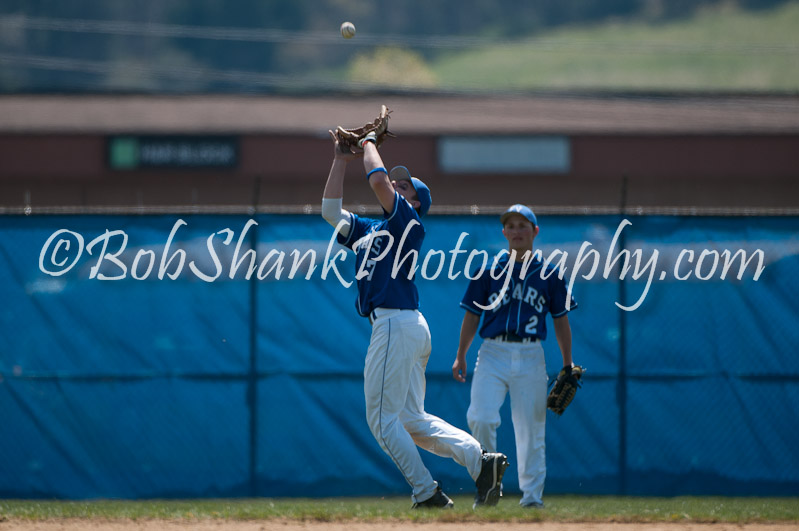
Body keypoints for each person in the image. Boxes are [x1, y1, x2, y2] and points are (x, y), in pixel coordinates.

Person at [321, 129, 508, 509]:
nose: (395, 184)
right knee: (410, 419)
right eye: (397, 183)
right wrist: (341, 159)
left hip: (395, 324)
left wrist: (369, 141)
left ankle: (426, 492)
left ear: (415, 202)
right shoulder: (370, 230)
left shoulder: (407, 222)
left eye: (404, 186)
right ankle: (481, 462)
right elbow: (329, 211)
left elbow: (376, 178)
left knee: (381, 421)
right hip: (404, 326)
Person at [451, 204, 577, 508]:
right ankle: (489, 486)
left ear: (535, 232)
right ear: (504, 232)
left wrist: (567, 362)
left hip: (531, 354)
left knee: (531, 429)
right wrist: (461, 355)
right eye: (511, 225)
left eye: (523, 225)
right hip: (492, 351)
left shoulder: (549, 274)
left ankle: (532, 499)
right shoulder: (488, 270)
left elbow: (561, 320)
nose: (517, 230)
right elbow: (472, 316)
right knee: (479, 417)